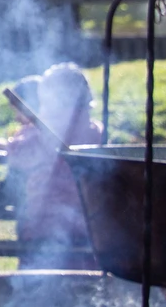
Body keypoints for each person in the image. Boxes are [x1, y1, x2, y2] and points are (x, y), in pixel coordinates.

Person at [7, 63, 102, 270]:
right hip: (87, 225)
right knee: (82, 281)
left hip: (43, 224)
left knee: (39, 279)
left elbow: (17, 156)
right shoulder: (96, 133)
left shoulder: (38, 135)